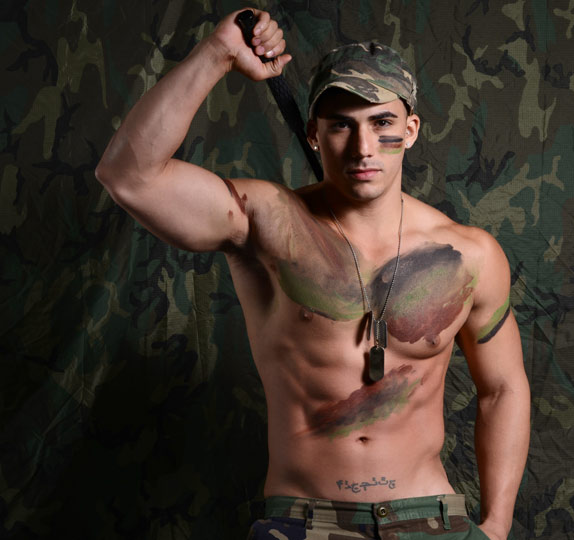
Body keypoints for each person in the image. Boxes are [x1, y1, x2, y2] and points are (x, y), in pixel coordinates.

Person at [95, 8, 529, 540]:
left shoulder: (469, 254)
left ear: (411, 130)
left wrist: (496, 526)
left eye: (382, 123)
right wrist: (218, 53)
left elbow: (503, 388)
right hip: (305, 523)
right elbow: (129, 175)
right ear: (314, 134)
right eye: (341, 124)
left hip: (430, 520)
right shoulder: (266, 222)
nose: (363, 147)